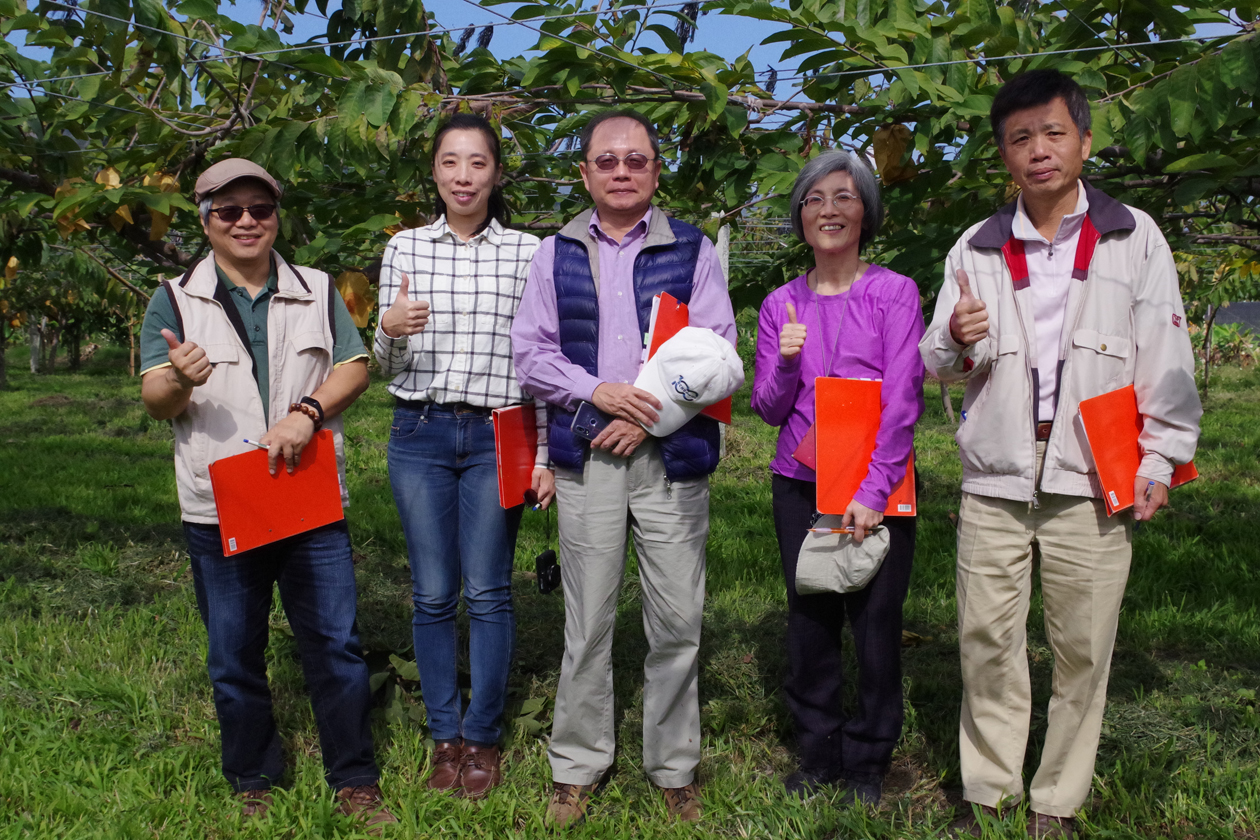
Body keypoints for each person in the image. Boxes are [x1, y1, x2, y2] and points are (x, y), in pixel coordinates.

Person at [919, 70, 1202, 839]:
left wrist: (1160, 457)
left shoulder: (1131, 235)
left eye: (1052, 133)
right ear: (1003, 157)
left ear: (1082, 140)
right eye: (1020, 139)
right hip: (997, 473)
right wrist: (955, 339)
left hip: (1090, 471)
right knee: (986, 640)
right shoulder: (974, 248)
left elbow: (1165, 352)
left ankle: (1057, 802)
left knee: (1082, 647)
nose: (1038, 151)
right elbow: (937, 362)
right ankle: (990, 788)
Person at [138, 159, 395, 829]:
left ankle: (354, 775)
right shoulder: (173, 298)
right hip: (220, 502)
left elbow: (355, 366)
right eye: (230, 211)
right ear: (205, 219)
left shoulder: (316, 288)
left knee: (335, 645)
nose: (248, 221)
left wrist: (306, 412)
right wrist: (178, 378)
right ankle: (253, 772)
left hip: (305, 497)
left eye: (261, 208)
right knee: (232, 652)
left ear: (277, 216)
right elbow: (156, 401)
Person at [511, 109, 741, 827]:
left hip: (671, 459)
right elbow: (532, 353)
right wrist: (596, 392)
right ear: (584, 172)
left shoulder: (693, 250)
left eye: (635, 160)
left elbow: (717, 356)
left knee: (677, 619)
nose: (621, 171)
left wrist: (641, 411)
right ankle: (578, 765)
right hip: (588, 457)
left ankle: (673, 765)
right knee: (589, 622)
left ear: (655, 169)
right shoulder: (555, 254)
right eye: (606, 161)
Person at [374, 113, 553, 800]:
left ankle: (483, 736)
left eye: (477, 163)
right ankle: (442, 736)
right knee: (431, 592)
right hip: (418, 432)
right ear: (435, 172)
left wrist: (542, 451)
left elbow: (538, 360)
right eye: (451, 163)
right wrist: (387, 329)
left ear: (497, 173)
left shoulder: (528, 253)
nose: (464, 176)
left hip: (494, 435)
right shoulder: (406, 248)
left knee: (488, 591)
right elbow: (387, 356)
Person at [751, 150, 924, 806]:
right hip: (800, 479)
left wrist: (872, 491)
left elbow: (904, 398)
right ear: (800, 216)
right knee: (811, 618)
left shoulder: (894, 293)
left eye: (846, 197)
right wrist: (788, 363)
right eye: (816, 198)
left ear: (867, 212)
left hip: (880, 480)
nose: (830, 209)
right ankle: (819, 748)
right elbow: (768, 407)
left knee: (876, 623)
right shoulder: (780, 304)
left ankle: (870, 758)